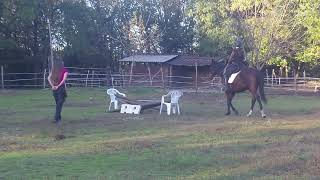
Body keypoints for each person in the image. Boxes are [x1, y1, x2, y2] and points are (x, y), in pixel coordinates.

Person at [48, 60, 68, 125]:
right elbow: (49, 78)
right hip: (57, 88)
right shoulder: (56, 70)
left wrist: (55, 86)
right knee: (58, 104)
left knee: (59, 103)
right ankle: (58, 118)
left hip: (59, 89)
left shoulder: (64, 70)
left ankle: (56, 118)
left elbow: (64, 79)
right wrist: (53, 86)